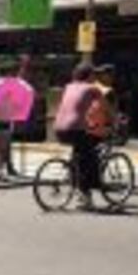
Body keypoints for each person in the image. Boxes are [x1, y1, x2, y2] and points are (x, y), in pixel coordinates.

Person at [54, 63, 104, 206]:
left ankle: (73, 176)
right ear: (89, 76)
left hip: (59, 129)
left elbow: (74, 108)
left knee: (80, 152)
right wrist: (114, 121)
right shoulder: (92, 88)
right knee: (90, 157)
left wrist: (88, 122)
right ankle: (85, 193)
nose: (95, 77)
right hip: (75, 129)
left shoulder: (68, 86)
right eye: (94, 75)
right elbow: (104, 108)